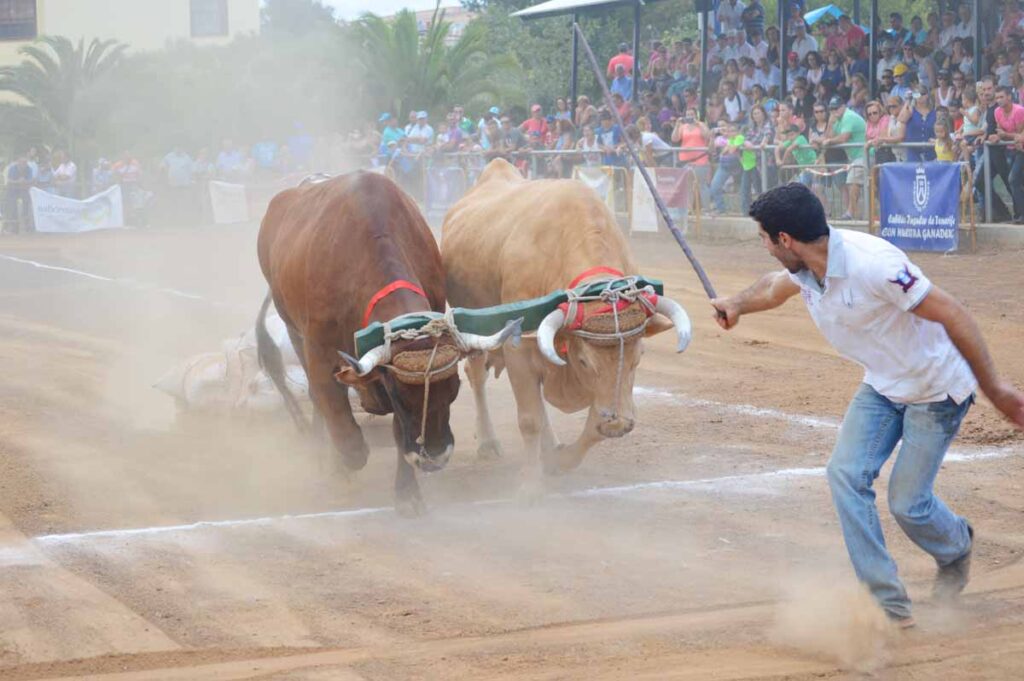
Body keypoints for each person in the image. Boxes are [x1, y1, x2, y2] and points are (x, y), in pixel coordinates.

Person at [711, 183, 1024, 627]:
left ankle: (956, 546)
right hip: (882, 386)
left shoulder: (874, 265)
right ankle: (888, 604)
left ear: (785, 240)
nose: (762, 245)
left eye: (764, 237)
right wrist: (736, 304)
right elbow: (774, 288)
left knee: (908, 505)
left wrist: (994, 387)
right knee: (845, 475)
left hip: (936, 390)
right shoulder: (806, 268)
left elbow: (953, 312)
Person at [821, 95, 866, 220]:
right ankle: (855, 213)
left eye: (836, 108)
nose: (834, 111)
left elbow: (843, 137)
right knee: (857, 183)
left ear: (843, 107)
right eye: (831, 109)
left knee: (852, 182)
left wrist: (829, 141)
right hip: (855, 156)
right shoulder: (838, 120)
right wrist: (830, 124)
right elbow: (828, 137)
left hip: (864, 154)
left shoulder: (848, 116)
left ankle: (851, 213)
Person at [989, 85, 1024, 221]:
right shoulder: (997, 112)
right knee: (1016, 181)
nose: (999, 100)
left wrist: (1005, 135)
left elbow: (1020, 135)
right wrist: (998, 137)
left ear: (1009, 97)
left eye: (1001, 97)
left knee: (1013, 179)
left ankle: (1021, 214)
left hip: (1021, 149)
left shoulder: (1019, 111)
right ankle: (1018, 214)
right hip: (1009, 150)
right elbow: (1002, 132)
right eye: (997, 97)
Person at [672, 106, 712, 210]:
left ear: (696, 115)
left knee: (702, 185)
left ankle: (706, 209)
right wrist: (677, 125)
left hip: (700, 159)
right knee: (688, 185)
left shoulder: (701, 125)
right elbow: (675, 139)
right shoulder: (683, 127)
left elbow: (707, 136)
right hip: (685, 160)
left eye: (692, 114)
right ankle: (689, 209)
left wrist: (698, 123)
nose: (690, 116)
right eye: (688, 114)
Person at [709, 121, 745, 215]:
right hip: (724, 166)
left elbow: (732, 150)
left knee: (743, 188)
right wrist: (712, 137)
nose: (730, 133)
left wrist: (727, 148)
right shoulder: (723, 139)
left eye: (733, 131)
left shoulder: (739, 138)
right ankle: (722, 209)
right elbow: (714, 150)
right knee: (715, 186)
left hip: (738, 166)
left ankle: (744, 210)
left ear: (737, 132)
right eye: (728, 131)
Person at [3, 154, 34, 233]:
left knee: (26, 202)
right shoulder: (12, 168)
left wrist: (24, 181)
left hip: (24, 190)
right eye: (22, 162)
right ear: (18, 162)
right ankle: (13, 224)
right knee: (11, 203)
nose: (24, 164)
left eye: (25, 162)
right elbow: (9, 180)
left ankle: (26, 223)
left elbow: (31, 181)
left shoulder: (29, 169)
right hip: (13, 189)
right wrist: (19, 181)